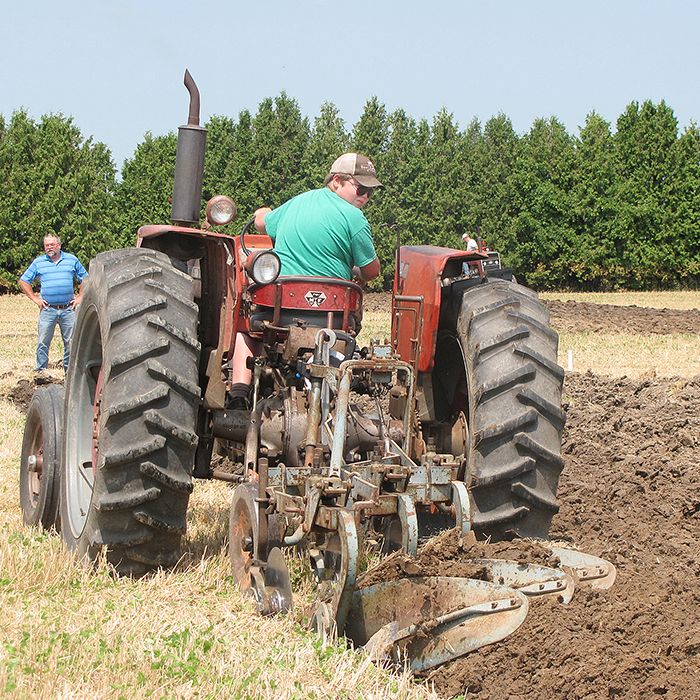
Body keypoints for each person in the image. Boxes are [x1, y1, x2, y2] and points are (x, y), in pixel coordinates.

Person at [230, 152, 383, 406]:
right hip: (332, 319)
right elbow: (372, 271)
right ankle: (327, 394)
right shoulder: (356, 220)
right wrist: (353, 270)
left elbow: (261, 223)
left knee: (247, 328)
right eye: (361, 188)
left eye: (370, 192)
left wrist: (262, 213)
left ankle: (238, 394)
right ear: (336, 181)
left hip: (280, 313)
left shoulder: (298, 203)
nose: (365, 197)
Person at [19, 234, 88, 376]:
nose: (49, 247)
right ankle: (41, 371)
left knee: (71, 343)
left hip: (68, 309)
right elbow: (24, 281)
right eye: (46, 245)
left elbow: (86, 278)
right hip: (48, 309)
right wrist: (35, 298)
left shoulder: (71, 260)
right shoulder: (39, 262)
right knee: (43, 341)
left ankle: (69, 373)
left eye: (52, 244)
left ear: (59, 245)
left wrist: (80, 297)